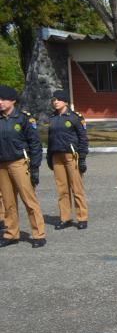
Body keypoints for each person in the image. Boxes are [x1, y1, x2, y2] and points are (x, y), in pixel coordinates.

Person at [0, 84, 45, 247]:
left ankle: (38, 234)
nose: (0, 102)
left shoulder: (23, 118)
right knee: (8, 201)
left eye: (3, 99)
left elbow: (35, 144)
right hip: (2, 165)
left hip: (19, 163)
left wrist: (35, 167)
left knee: (29, 200)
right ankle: (11, 233)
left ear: (12, 100)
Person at [47, 89, 89, 230]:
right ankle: (65, 218)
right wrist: (49, 156)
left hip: (72, 156)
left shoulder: (75, 117)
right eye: (54, 100)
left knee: (76, 188)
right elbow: (50, 138)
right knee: (62, 189)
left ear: (66, 101)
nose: (55, 102)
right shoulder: (52, 118)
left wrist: (82, 158)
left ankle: (82, 217)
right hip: (56, 156)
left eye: (58, 99)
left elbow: (83, 138)